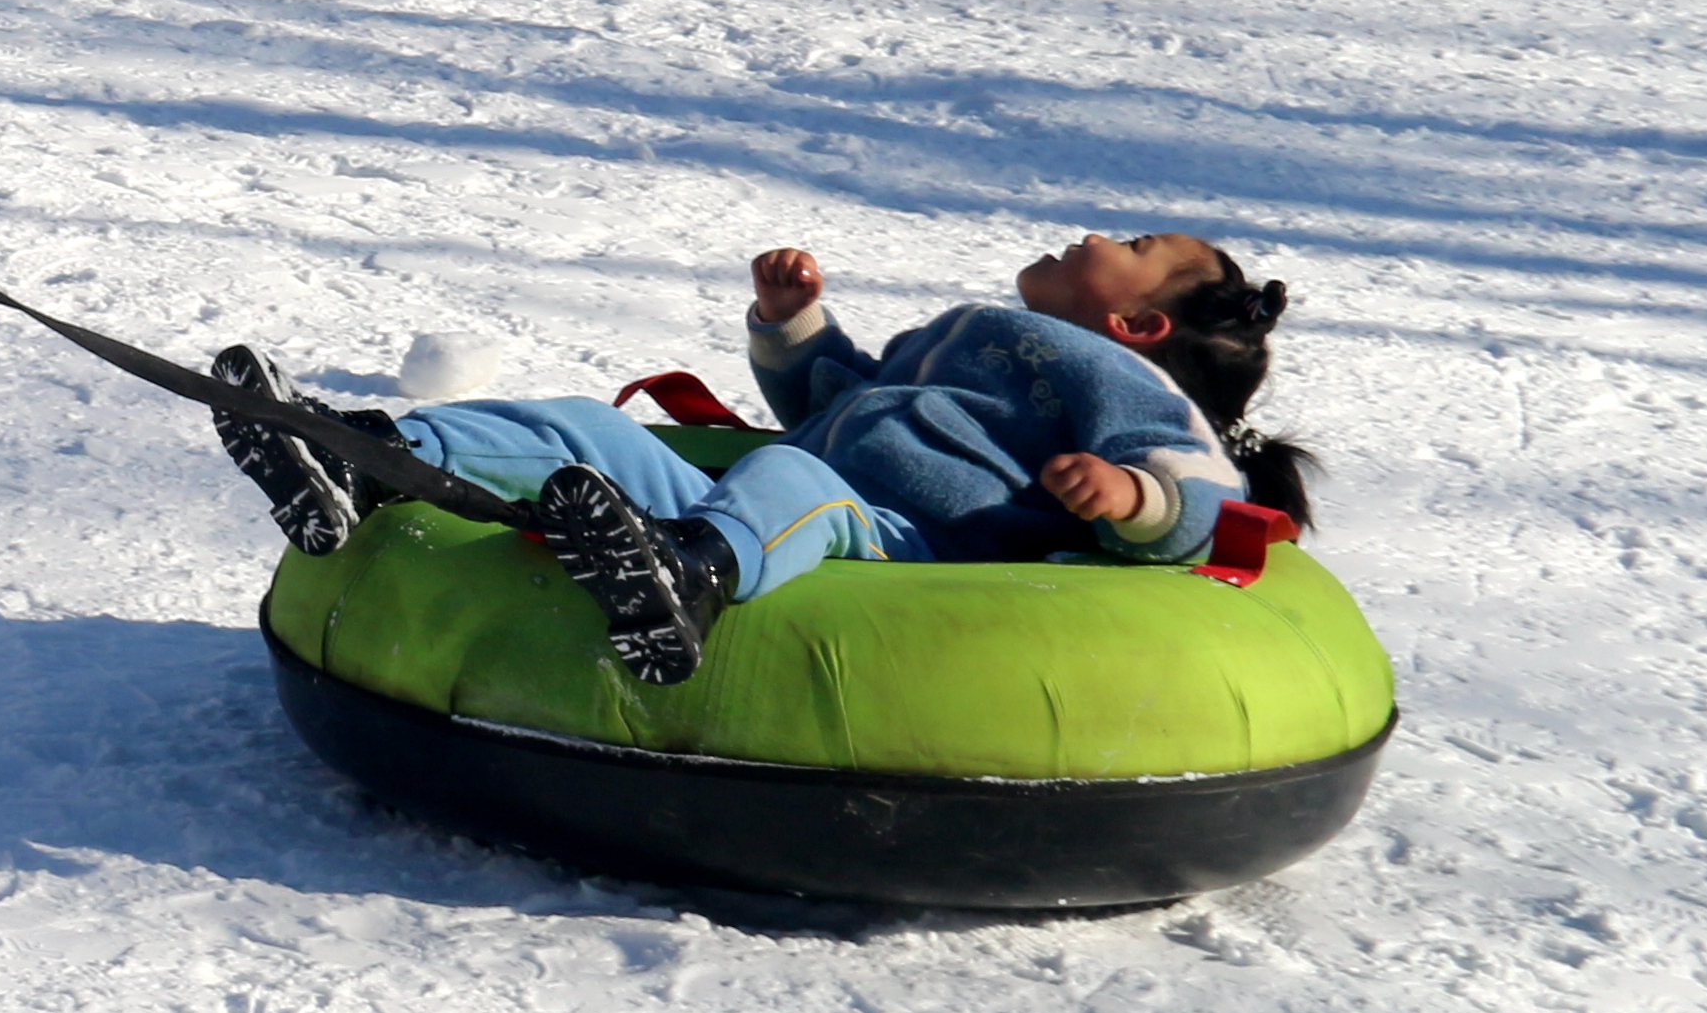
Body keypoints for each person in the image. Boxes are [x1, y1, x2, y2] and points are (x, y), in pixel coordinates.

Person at [215, 232, 1306, 686]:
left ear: (1146, 328)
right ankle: (363, 452)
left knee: (795, 485)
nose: (1092, 236)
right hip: (797, 488)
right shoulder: (973, 329)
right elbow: (840, 404)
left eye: (1134, 248)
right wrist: (795, 330)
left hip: (906, 543)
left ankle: (687, 580)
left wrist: (1132, 495)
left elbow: (1209, 495)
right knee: (588, 430)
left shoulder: (1127, 386)